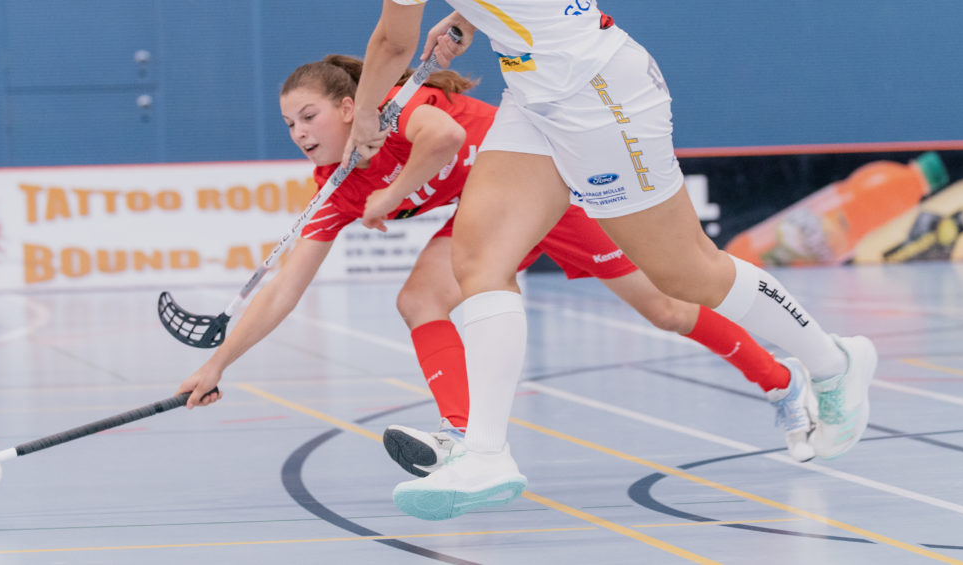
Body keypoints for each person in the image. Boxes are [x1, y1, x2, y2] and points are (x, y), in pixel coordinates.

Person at [346, 0, 877, 521]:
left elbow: (392, 47)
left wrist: (365, 116)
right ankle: (487, 453)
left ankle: (833, 366)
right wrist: (472, 12)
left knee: (686, 272)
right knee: (478, 257)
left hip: (599, 95)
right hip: (538, 90)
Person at [177, 55, 821, 475]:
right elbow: (286, 286)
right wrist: (215, 364)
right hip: (491, 218)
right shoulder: (333, 183)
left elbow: (448, 139)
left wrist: (394, 196)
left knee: (669, 308)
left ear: (349, 107)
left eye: (309, 115)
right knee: (419, 300)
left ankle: (784, 382)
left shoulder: (401, 109)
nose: (299, 131)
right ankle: (462, 435)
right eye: (290, 123)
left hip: (541, 184)